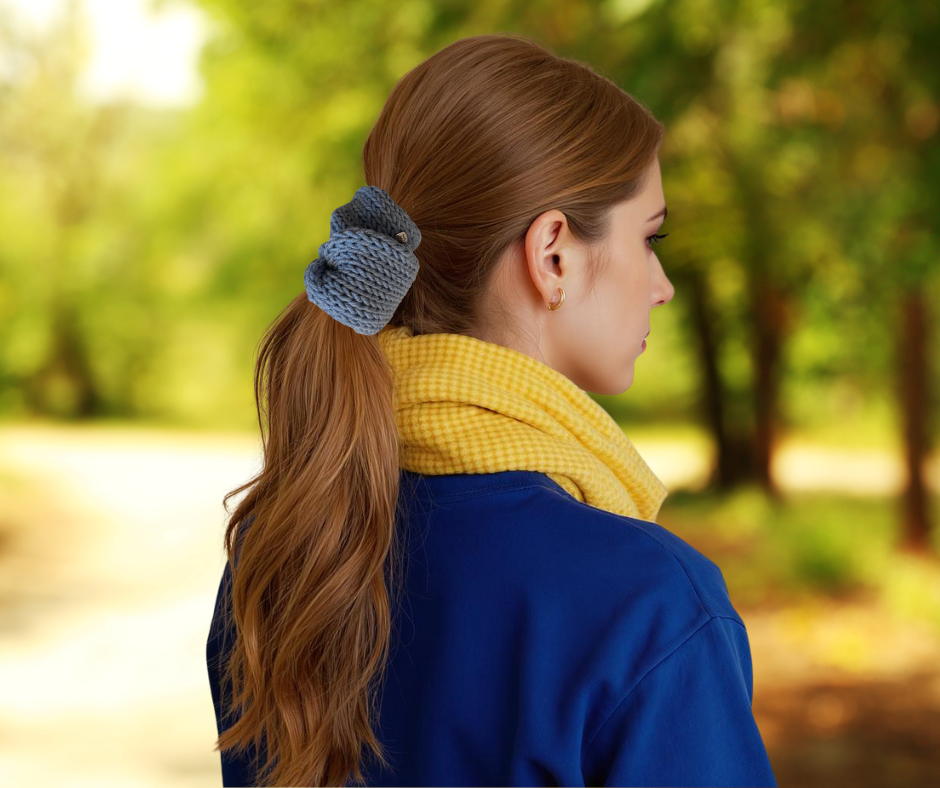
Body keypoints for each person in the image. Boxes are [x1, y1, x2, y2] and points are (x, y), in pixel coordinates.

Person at [205, 33, 778, 788]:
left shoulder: (284, 554)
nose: (662, 284)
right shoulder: (650, 607)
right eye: (650, 238)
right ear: (553, 256)